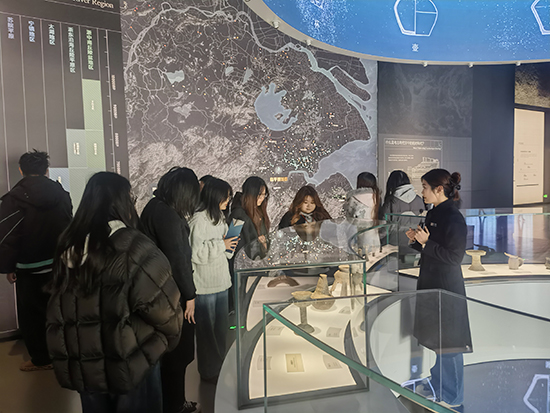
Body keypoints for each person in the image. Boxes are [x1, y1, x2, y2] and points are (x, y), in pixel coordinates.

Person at [46, 172, 183, 413]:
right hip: (131, 359)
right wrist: (167, 341)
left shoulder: (68, 244)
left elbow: (58, 310)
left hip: (85, 364)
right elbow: (163, 309)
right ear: (122, 202)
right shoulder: (135, 247)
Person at [0, 150, 72, 371]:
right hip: (59, 265)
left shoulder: (12, 199)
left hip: (28, 268)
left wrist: (8, 267)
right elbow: (68, 226)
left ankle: (41, 359)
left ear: (21, 170)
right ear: (46, 171)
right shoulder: (62, 194)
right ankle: (64, 354)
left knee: (32, 316)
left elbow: (7, 236)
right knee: (59, 310)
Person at [406, 169, 472, 409]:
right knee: (439, 340)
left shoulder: (454, 218)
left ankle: (453, 398)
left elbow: (454, 257)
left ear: (439, 189)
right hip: (433, 283)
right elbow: (433, 248)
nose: (422, 192)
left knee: (450, 344)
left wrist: (426, 243)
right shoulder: (434, 213)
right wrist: (416, 241)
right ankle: (439, 385)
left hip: (447, 287)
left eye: (425, 187)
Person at [140, 167, 201, 413]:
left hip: (158, 293)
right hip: (172, 297)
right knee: (179, 353)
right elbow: (178, 261)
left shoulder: (155, 207)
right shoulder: (167, 215)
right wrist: (190, 295)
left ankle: (172, 403)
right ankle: (175, 405)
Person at [189, 178, 238, 383]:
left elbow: (225, 252)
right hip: (204, 286)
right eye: (226, 197)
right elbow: (195, 254)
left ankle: (219, 367)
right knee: (207, 334)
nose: (228, 200)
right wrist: (222, 244)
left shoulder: (219, 217)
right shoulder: (198, 220)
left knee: (220, 331)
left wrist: (231, 243)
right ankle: (209, 372)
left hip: (221, 282)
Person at [229, 176, 270, 259]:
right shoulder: (238, 214)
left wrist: (264, 244)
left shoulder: (259, 212)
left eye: (264, 195)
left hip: (258, 261)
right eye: (259, 195)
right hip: (242, 263)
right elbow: (232, 246)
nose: (262, 198)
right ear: (251, 194)